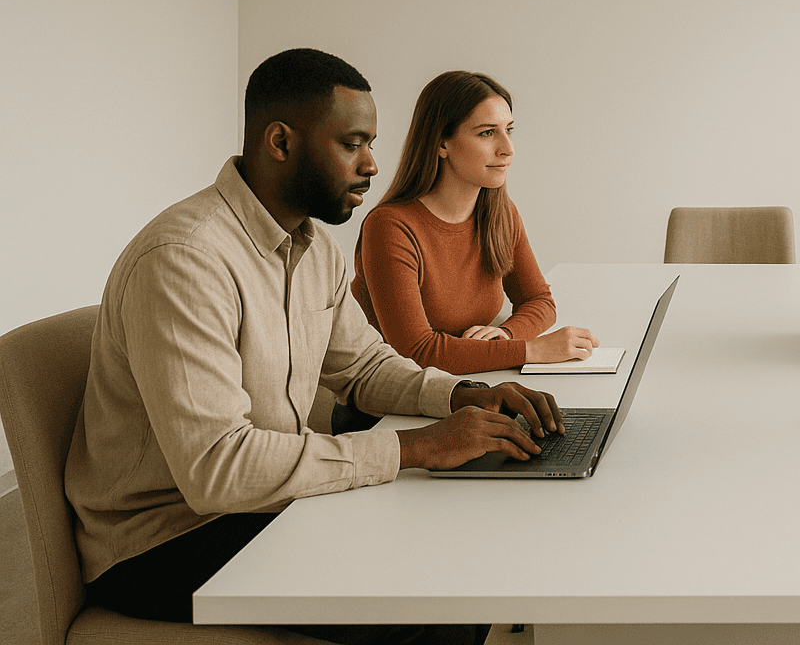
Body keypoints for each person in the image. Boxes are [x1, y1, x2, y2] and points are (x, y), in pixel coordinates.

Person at [65, 48, 567, 645]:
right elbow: (216, 471)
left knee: (459, 555)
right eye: (353, 144)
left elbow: (364, 366)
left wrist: (465, 393)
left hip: (263, 502)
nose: (373, 165)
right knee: (438, 612)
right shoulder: (185, 262)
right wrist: (415, 448)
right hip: (166, 540)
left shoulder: (313, 247)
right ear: (281, 143)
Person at [352, 70, 597, 377]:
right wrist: (532, 350)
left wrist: (506, 335)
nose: (507, 148)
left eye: (509, 130)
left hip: (468, 383)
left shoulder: (500, 213)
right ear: (442, 144)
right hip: (389, 402)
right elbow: (417, 351)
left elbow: (539, 300)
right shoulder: (389, 227)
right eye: (487, 133)